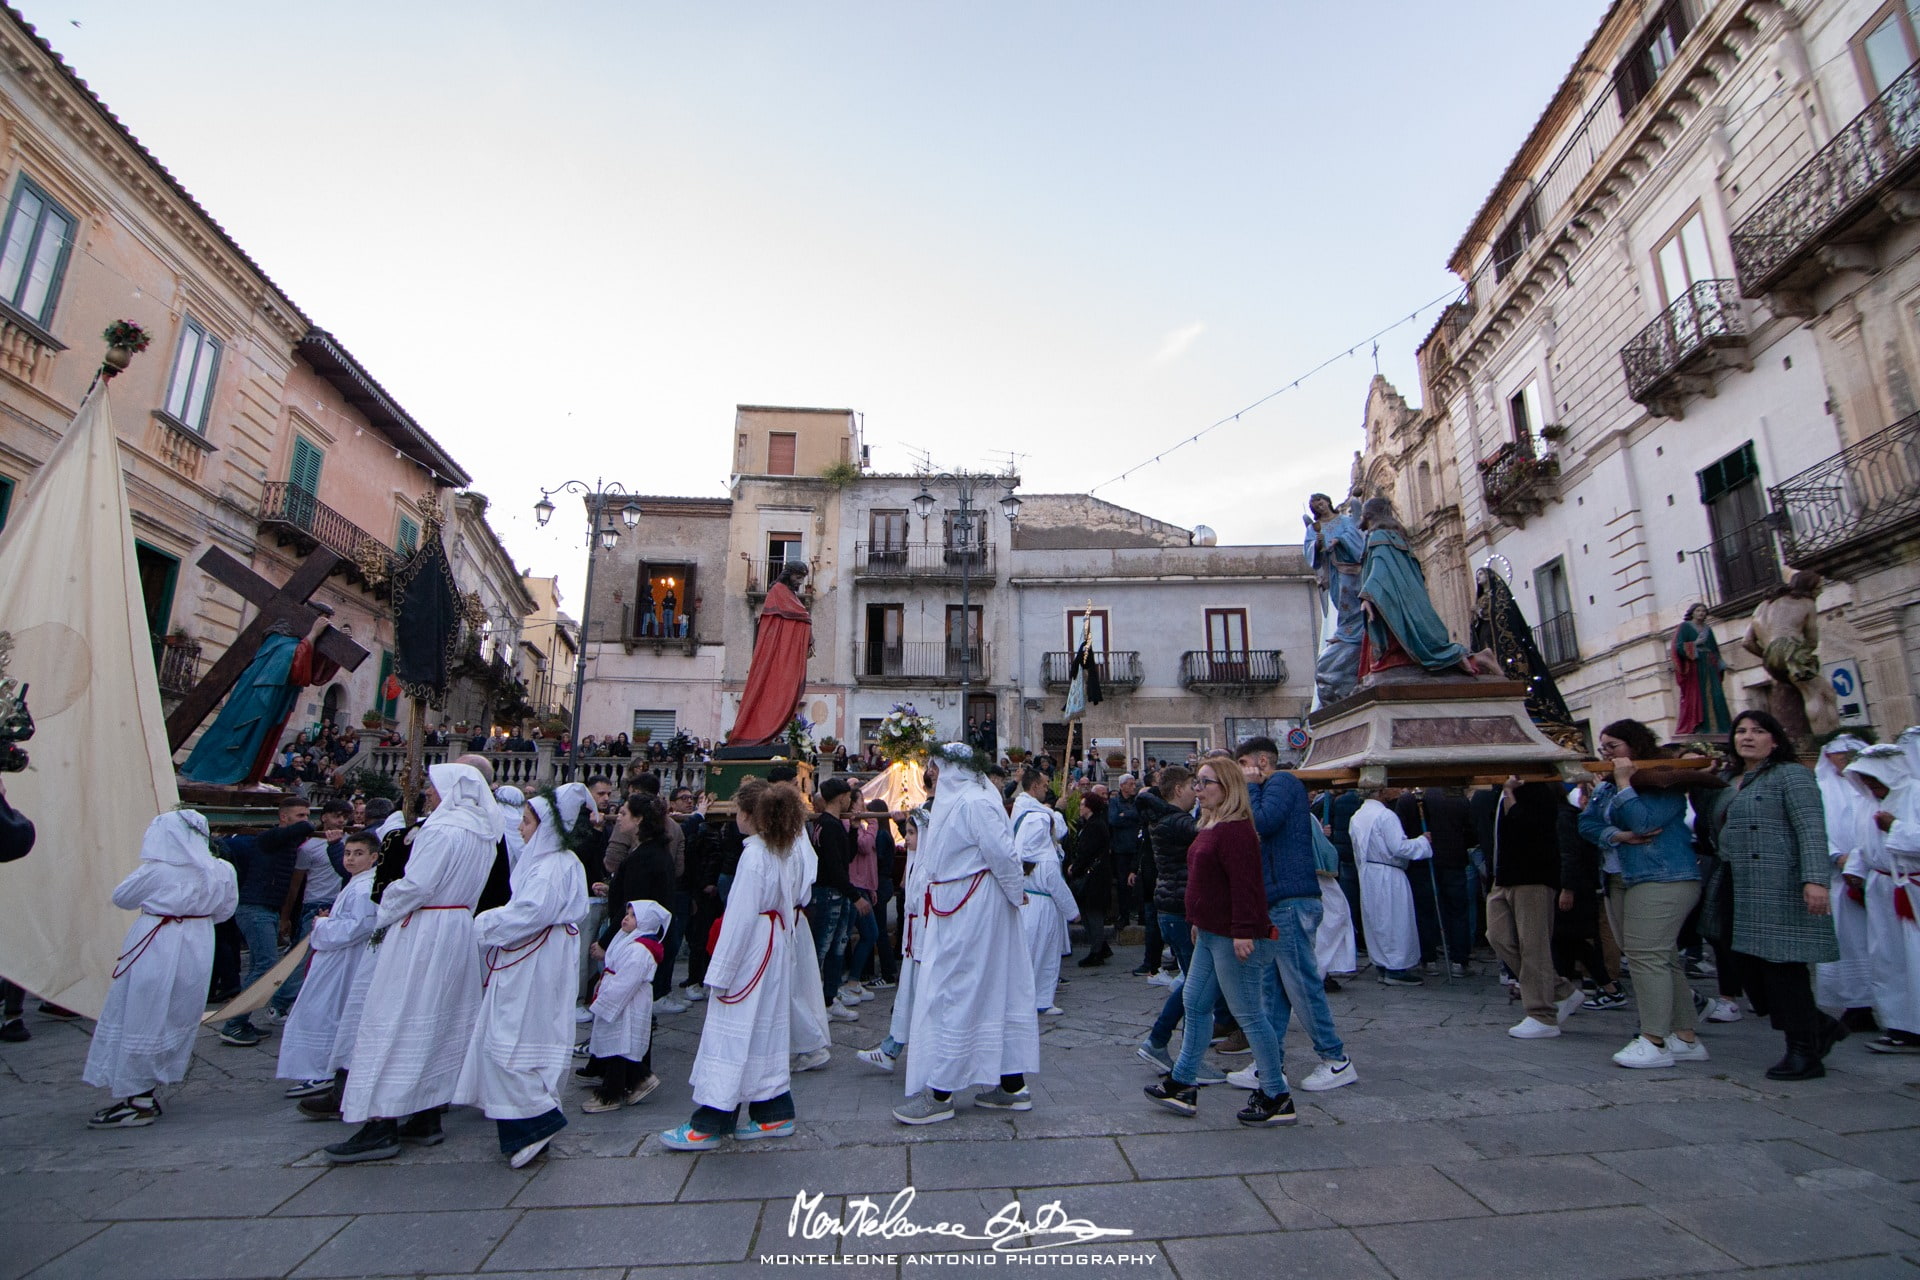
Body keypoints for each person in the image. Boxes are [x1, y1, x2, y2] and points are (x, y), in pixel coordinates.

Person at [326, 762, 499, 1163]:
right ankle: (425, 1113)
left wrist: (385, 904)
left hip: (425, 928)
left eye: (434, 787)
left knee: (394, 1016)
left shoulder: (442, 829)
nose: (429, 794)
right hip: (456, 926)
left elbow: (417, 884)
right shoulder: (484, 833)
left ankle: (381, 1121)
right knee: (438, 1019)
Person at [1143, 758, 1297, 1126]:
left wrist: (1244, 929)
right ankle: (1182, 1082)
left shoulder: (1237, 831)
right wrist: (1198, 920)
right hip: (1212, 932)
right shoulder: (1213, 825)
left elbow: (1247, 886)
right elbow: (1205, 881)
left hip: (1232, 935)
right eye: (1197, 782)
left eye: (1206, 782)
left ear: (1226, 787)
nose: (1198, 788)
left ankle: (1276, 1093)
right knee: (1195, 1004)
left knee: (1248, 1014)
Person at [894, 744, 1038, 1125]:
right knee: (984, 989)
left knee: (959, 990)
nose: (933, 774)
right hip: (956, 906)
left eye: (938, 767)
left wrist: (1013, 893)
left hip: (976, 909)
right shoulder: (951, 801)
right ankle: (1011, 1085)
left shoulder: (975, 802)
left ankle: (941, 1090)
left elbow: (1004, 855)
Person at [660, 778, 806, 1149]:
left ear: (749, 815)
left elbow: (739, 917)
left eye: (737, 811)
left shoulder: (755, 856)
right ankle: (773, 1110)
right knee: (763, 1031)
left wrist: (720, 972)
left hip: (751, 951)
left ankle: (710, 1121)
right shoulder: (780, 851)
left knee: (731, 1031)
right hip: (771, 947)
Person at [455, 785, 590, 1166]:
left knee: (511, 1037)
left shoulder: (550, 867)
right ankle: (529, 1121)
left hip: (535, 960)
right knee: (524, 1034)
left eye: (527, 822)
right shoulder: (558, 862)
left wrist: (484, 923)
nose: (520, 828)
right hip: (541, 955)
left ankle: (536, 1120)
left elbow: (530, 913)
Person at [1706, 710, 1842, 1079]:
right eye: (1741, 731)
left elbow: (1811, 830)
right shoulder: (1731, 779)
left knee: (1782, 967)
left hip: (1777, 884)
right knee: (1742, 962)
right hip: (1736, 882)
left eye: (1758, 731)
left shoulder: (1791, 775)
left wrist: (1815, 881)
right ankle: (1818, 1025)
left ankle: (1803, 1051)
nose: (1747, 737)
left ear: (1775, 739)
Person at [82, 812, 238, 1127]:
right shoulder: (222, 869)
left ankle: (138, 1101)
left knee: (142, 1013)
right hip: (197, 943)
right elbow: (225, 910)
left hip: (158, 941)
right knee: (174, 1012)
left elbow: (122, 898)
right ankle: (144, 1090)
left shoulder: (157, 870)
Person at [1580, 719, 1709, 1069]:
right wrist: (1615, 836)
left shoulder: (1662, 780)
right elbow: (1587, 823)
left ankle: (1654, 1038)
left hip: (1663, 875)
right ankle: (1685, 1036)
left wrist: (1624, 784)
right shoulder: (1605, 786)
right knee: (1661, 956)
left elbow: (1642, 821)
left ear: (1634, 747)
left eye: (1613, 747)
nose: (1606, 754)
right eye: (1603, 747)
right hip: (1622, 877)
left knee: (1645, 956)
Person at [1237, 738, 1355, 1094]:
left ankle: (1336, 1059)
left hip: (1291, 900)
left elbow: (1264, 821)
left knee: (1301, 983)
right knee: (1274, 990)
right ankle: (1269, 1065)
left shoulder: (1283, 782)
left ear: (1261, 761)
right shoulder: (1271, 787)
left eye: (1243, 762)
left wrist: (1250, 787)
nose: (1240, 770)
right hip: (1279, 901)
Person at [277, 831, 381, 1099]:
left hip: (345, 962)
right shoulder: (356, 882)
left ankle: (322, 1071)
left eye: (358, 854)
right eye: (347, 853)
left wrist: (322, 924)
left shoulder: (364, 887)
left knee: (326, 1013)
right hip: (338, 959)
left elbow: (358, 926)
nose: (350, 859)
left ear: (374, 857)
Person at [1487, 778, 1585, 1039]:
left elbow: (1526, 826)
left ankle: (1542, 1014)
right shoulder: (1504, 790)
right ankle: (1560, 989)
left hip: (1533, 877)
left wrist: (1509, 792)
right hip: (1505, 875)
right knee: (1498, 937)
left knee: (1533, 946)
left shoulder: (1537, 791)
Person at [215, 797, 316, 1047]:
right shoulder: (270, 838)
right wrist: (310, 824)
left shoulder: (285, 841)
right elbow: (306, 828)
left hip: (265, 909)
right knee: (266, 967)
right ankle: (234, 1024)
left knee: (260, 967)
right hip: (255, 908)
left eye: (307, 814)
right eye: (300, 815)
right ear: (284, 818)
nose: (305, 820)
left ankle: (241, 1020)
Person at [1356, 497, 1492, 681]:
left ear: (1368, 514)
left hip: (1390, 600)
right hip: (1404, 597)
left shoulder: (1378, 536)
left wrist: (1367, 595)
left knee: (1406, 648)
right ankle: (1477, 658)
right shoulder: (1396, 536)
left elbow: (1381, 567)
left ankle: (1473, 658)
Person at [1846, 743, 1920, 1053]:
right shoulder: (1866, 802)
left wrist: (1896, 828)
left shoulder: (1915, 793)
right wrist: (1856, 869)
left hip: (1911, 886)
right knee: (1886, 957)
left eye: (1875, 779)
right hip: (1881, 888)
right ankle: (1899, 1024)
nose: (1871, 787)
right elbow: (1861, 842)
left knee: (1914, 957)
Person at [585, 898, 670, 1112]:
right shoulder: (627, 940)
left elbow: (627, 980)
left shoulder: (640, 950)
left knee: (619, 1047)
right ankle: (640, 1079)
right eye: (627, 913)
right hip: (620, 997)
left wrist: (606, 1002)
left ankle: (611, 1094)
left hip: (626, 1002)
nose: (626, 918)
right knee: (618, 1046)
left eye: (633, 916)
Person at [1814, 735, 1875, 1026]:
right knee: (1851, 943)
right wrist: (1837, 857)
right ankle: (1858, 1003)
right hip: (1840, 877)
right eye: (1839, 754)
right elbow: (1816, 830)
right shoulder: (1821, 788)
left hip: (1877, 875)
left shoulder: (1868, 788)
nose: (1845, 758)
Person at [1350, 787, 1432, 984]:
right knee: (1394, 919)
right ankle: (1396, 967)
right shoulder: (1385, 816)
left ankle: (1382, 963)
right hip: (1388, 873)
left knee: (1377, 919)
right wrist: (1423, 841)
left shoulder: (1358, 816)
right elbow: (1398, 847)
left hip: (1369, 872)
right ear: (1380, 791)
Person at [1014, 768, 1079, 1015]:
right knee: (1043, 955)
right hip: (1043, 908)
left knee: (1036, 954)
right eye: (1044, 784)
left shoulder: (1025, 814)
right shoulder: (1047, 860)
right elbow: (1057, 886)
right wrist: (1072, 912)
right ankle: (1037, 998)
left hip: (1029, 905)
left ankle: (1040, 999)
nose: (1047, 787)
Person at [1305, 491, 1366, 705]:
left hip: (1353, 570)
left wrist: (1339, 540)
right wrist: (1319, 545)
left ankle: (1356, 633)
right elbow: (1310, 553)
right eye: (1315, 506)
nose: (1319, 506)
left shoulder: (1344, 520)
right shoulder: (1314, 529)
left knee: (1359, 601)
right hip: (1335, 572)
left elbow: (1357, 538)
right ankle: (1346, 633)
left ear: (1328, 502)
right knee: (1343, 603)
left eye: (1320, 502)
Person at [1067, 792, 1113, 967]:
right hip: (1093, 875)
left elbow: (1087, 851)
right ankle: (1100, 945)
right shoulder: (1090, 825)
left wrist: (1076, 867)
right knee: (1088, 912)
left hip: (1094, 877)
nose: (1079, 807)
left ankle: (1097, 950)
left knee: (1093, 913)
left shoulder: (1095, 826)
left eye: (1082, 804)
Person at [1672, 604, 1732, 736]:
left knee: (1716, 695)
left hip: (1710, 665)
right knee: (1697, 696)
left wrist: (1722, 664)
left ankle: (1721, 728)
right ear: (1692, 613)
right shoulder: (1685, 627)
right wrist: (1694, 644)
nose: (1701, 613)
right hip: (1695, 667)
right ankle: (1699, 726)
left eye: (1704, 611)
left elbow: (1714, 649)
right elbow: (1677, 647)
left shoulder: (1708, 629)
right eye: (1698, 610)